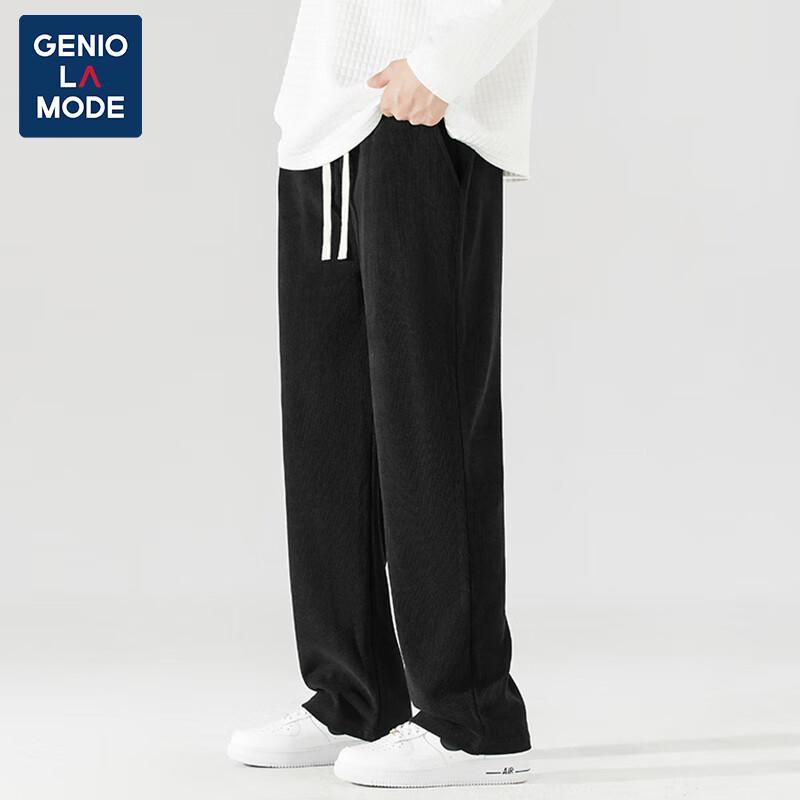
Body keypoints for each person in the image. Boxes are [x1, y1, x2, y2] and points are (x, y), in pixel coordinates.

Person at [228, 0, 556, 788]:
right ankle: (355, 693)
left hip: (424, 109)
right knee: (327, 425)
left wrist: (445, 63)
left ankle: (471, 715)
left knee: (428, 416)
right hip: (323, 123)